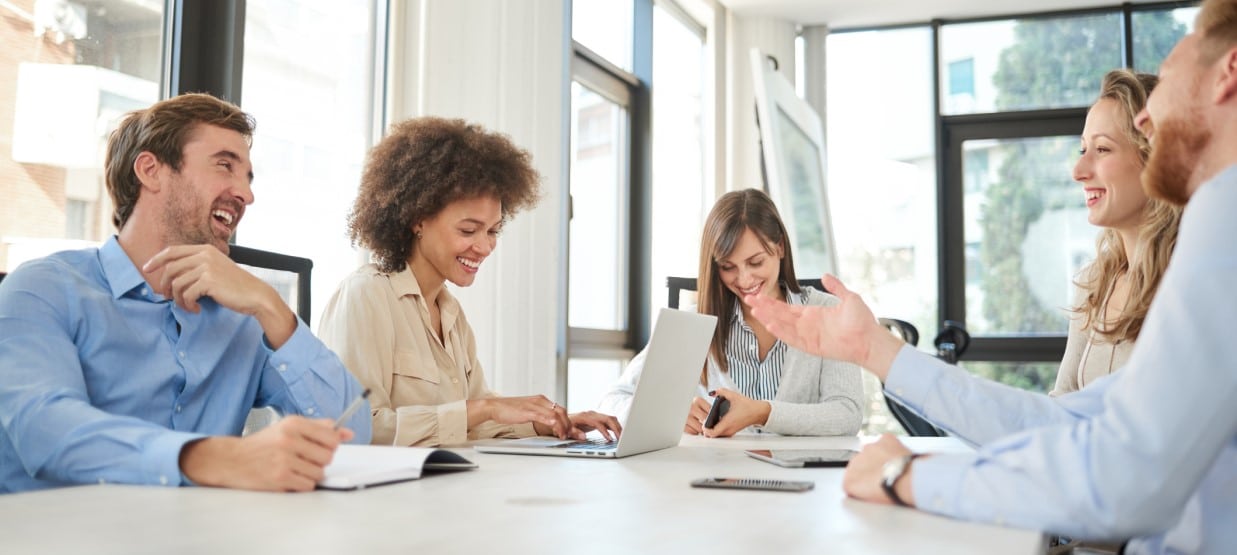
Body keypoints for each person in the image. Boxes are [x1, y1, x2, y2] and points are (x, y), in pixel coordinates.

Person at [746, 2, 1237, 550]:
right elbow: (1067, 425)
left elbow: (1122, 474)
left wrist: (903, 477)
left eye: (1168, 75)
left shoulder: (1225, 215)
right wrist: (875, 349)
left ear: (1228, 70)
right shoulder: (1193, 243)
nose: (1148, 116)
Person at [0, 94, 371, 494]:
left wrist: (271, 306)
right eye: (225, 166)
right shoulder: (42, 288)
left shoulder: (244, 316)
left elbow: (352, 432)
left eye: (248, 177)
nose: (246, 194)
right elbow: (43, 430)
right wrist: (216, 458)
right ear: (151, 170)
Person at [318, 117, 621, 448]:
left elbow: (474, 425)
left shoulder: (451, 313)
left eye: (493, 231)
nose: (485, 246)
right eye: (468, 230)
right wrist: (486, 407)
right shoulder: (366, 297)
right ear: (418, 219)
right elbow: (354, 428)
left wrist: (545, 423)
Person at [598, 189, 863, 438]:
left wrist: (762, 413)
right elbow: (613, 400)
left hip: (803, 480)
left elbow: (847, 414)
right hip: (714, 479)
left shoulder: (828, 312)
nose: (744, 279)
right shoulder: (693, 324)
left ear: (780, 247)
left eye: (755, 262)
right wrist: (669, 415)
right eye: (728, 267)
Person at [1051, 69, 1182, 396]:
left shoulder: (1191, 280)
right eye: (1083, 150)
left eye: (1103, 149)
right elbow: (1062, 406)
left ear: (1154, 158)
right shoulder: (1094, 283)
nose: (1078, 171)